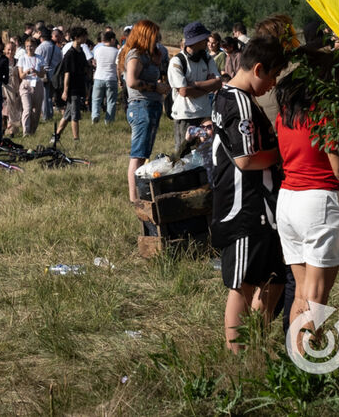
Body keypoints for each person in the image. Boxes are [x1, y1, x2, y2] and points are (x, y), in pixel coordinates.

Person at [274, 51, 339, 352]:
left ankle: (294, 362)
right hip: (319, 204)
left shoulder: (287, 110)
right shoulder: (328, 112)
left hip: (288, 202)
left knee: (302, 293)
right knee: (316, 300)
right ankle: (307, 367)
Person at [210, 36, 289, 353]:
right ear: (257, 69)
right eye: (271, 77)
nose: (271, 85)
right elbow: (246, 159)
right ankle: (238, 355)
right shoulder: (240, 102)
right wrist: (283, 153)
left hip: (260, 207)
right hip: (245, 208)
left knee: (271, 281)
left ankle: (253, 346)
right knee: (242, 286)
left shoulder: (228, 94)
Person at [119, 20, 170, 203]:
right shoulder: (135, 55)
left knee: (143, 153)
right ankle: (135, 199)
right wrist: (155, 88)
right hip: (141, 106)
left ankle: (139, 195)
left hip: (149, 106)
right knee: (138, 154)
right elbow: (132, 81)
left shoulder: (148, 55)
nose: (158, 37)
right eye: (155, 34)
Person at [168, 21, 222, 155]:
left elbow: (218, 82)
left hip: (204, 114)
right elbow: (184, 91)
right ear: (195, 41)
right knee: (183, 155)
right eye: (204, 39)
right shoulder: (177, 61)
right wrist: (208, 85)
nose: (207, 41)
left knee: (206, 154)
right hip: (185, 116)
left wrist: (195, 85)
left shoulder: (208, 58)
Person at [53, 27, 89, 143]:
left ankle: (56, 135)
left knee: (68, 114)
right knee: (75, 114)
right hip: (72, 88)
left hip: (79, 86)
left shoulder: (81, 52)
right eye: (83, 36)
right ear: (76, 37)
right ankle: (76, 139)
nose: (85, 38)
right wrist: (65, 90)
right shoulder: (70, 54)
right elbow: (67, 74)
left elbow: (85, 69)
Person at [17, 37, 45, 136]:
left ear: (35, 47)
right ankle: (26, 131)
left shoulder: (40, 58)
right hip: (26, 84)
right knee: (27, 108)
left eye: (31, 46)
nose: (29, 48)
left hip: (37, 84)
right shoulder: (22, 58)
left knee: (37, 111)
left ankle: (32, 131)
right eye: (27, 46)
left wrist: (37, 72)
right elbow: (20, 75)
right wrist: (26, 72)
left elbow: (43, 74)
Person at [91, 30, 119, 125]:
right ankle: (109, 121)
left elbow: (95, 62)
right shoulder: (116, 51)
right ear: (112, 40)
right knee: (111, 101)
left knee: (96, 99)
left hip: (99, 77)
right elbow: (118, 67)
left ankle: (95, 114)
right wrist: (119, 79)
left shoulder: (97, 49)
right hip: (111, 78)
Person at [1, 39, 22, 136]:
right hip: (4, 87)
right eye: (8, 50)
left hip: (15, 87)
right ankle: (3, 127)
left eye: (12, 50)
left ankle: (13, 130)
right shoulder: (1, 61)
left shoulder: (18, 62)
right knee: (4, 109)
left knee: (14, 108)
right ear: (5, 50)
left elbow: (20, 76)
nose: (10, 52)